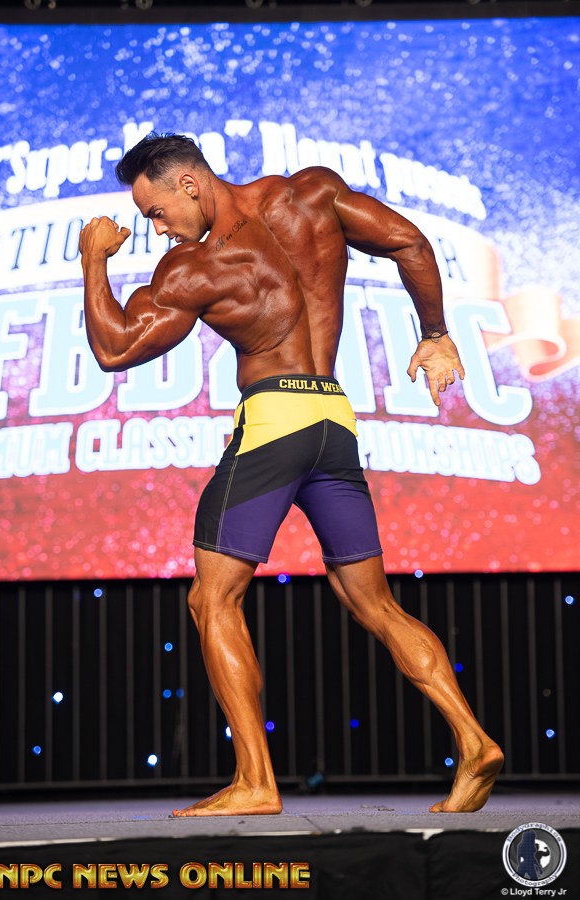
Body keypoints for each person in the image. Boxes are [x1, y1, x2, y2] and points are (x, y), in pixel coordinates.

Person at [79, 133, 503, 817]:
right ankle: (474, 739)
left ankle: (255, 781)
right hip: (333, 421)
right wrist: (434, 333)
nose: (157, 230)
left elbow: (116, 349)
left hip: (274, 420)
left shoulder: (200, 263)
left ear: (189, 184)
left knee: (212, 600)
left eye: (155, 213)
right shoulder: (312, 194)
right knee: (376, 604)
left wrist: (93, 260)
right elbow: (410, 243)